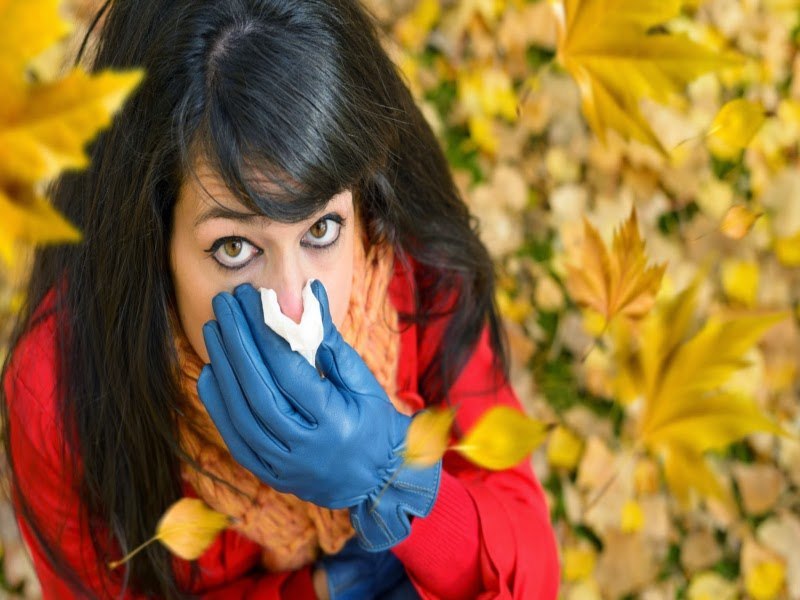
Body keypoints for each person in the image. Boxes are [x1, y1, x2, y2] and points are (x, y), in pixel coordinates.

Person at [0, 0, 560, 598]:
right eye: (235, 248)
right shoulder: (60, 394)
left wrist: (395, 473)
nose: (293, 307)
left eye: (320, 231)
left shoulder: (415, 262)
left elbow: (531, 576)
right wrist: (325, 590)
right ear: (152, 235)